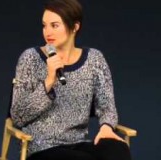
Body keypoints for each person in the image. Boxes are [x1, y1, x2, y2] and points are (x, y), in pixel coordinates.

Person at [10, 0, 131, 159]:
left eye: (54, 25)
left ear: (74, 27)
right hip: (42, 147)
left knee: (118, 149)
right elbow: (18, 116)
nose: (47, 32)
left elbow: (107, 106)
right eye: (44, 25)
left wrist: (107, 127)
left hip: (78, 143)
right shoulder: (30, 59)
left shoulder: (94, 60)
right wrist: (49, 81)